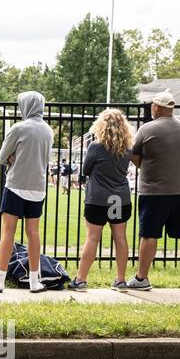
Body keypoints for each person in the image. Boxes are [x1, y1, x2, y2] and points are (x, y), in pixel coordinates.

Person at [128, 91, 180, 291]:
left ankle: (141, 278)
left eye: (152, 106)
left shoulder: (147, 129)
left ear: (156, 106)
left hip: (154, 191)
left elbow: (136, 158)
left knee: (149, 235)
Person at [0, 91, 52, 294]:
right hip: (38, 187)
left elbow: (3, 156)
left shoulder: (19, 128)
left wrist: (15, 157)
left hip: (16, 185)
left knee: (8, 232)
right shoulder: (48, 130)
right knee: (34, 233)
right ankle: (34, 281)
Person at [72, 109, 134, 291]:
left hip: (98, 198)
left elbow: (86, 170)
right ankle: (121, 280)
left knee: (92, 238)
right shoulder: (128, 148)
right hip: (120, 197)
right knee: (120, 238)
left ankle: (81, 279)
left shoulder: (96, 147)